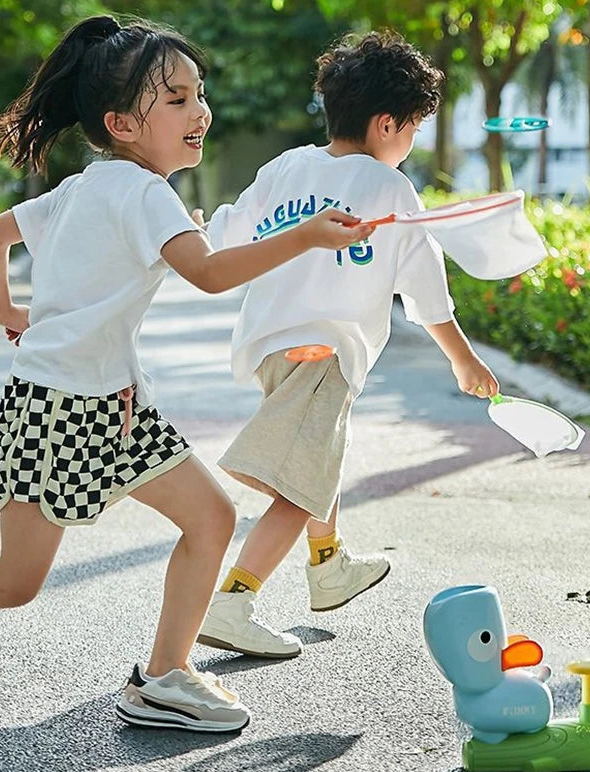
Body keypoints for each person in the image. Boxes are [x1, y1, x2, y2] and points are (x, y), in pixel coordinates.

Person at [0, 16, 374, 732]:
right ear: (121, 123)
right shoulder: (144, 195)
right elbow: (210, 274)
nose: (200, 111)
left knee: (209, 518)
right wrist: (304, 236)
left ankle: (164, 676)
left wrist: (9, 310)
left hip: (108, 403)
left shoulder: (87, 187)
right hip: (61, 409)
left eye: (198, 93)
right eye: (177, 99)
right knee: (14, 582)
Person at [196, 30, 500, 659]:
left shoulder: (284, 168)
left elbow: (226, 231)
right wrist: (462, 357)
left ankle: (329, 563)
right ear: (388, 124)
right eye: (413, 128)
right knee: (297, 485)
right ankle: (233, 599)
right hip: (326, 352)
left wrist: (194, 230)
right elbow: (424, 288)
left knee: (317, 458)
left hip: (271, 350)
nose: (411, 142)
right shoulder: (390, 189)